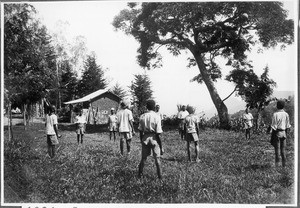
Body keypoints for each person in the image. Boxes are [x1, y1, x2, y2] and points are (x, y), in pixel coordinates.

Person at [138, 100, 163, 179]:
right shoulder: (157, 116)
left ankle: (140, 175)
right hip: (154, 138)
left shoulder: (142, 116)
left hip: (145, 137)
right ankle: (160, 177)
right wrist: (161, 146)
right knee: (157, 159)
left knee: (143, 158)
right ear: (154, 107)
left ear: (147, 107)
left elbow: (140, 130)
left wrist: (141, 140)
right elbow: (158, 133)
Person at [268, 100, 291, 167]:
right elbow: (287, 126)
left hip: (277, 133)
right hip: (284, 133)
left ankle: (277, 167)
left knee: (277, 151)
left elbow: (274, 126)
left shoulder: (275, 114)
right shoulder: (286, 114)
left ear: (277, 106)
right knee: (283, 151)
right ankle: (284, 166)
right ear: (283, 106)